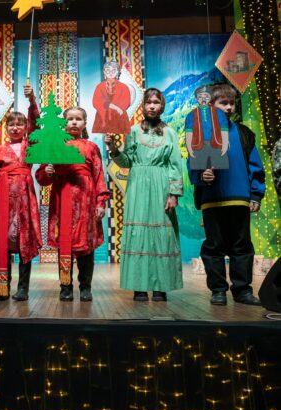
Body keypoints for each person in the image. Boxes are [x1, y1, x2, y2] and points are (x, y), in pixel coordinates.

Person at [189, 84, 265, 306]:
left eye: (232, 103)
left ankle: (242, 291)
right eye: (223, 103)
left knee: (241, 245)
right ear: (211, 106)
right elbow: (192, 164)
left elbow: (255, 165)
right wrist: (202, 175)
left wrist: (256, 194)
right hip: (212, 200)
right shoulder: (203, 133)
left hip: (239, 198)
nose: (229, 107)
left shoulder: (243, 134)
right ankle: (218, 290)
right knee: (214, 246)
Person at [106, 88, 183, 302]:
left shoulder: (169, 133)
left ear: (161, 106)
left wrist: (174, 194)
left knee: (162, 234)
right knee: (138, 234)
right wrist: (113, 148)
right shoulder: (132, 131)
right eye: (148, 102)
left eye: (156, 102)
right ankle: (139, 286)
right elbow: (126, 162)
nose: (152, 106)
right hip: (138, 185)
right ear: (143, 105)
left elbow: (175, 164)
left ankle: (161, 286)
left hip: (161, 185)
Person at [36, 107, 110, 302]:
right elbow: (42, 178)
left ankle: (85, 287)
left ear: (85, 123)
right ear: (64, 123)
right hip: (62, 200)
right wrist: (47, 172)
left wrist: (101, 202)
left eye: (78, 119)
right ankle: (65, 286)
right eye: (70, 119)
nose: (74, 122)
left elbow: (99, 176)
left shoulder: (91, 147)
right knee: (65, 244)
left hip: (86, 201)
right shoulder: (55, 145)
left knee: (86, 246)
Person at [0, 85, 42, 301]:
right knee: (4, 243)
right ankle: (2, 286)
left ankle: (23, 288)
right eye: (11, 125)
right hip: (3, 199)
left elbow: (36, 123)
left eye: (20, 124)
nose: (15, 128)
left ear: (25, 128)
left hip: (25, 199)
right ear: (6, 128)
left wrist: (31, 100)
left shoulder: (29, 145)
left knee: (25, 241)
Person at [185, 85, 229, 170]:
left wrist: (225, 146)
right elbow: (189, 133)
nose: (203, 99)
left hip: (217, 145)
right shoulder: (191, 115)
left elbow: (224, 130)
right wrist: (189, 148)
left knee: (220, 170)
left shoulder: (219, 112)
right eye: (200, 97)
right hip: (198, 146)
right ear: (196, 99)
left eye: (206, 96)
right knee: (199, 171)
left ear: (210, 97)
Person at [92, 60, 131, 134]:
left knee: (122, 137)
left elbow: (126, 102)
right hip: (102, 118)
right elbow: (96, 101)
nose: (110, 73)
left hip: (119, 117)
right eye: (108, 70)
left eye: (113, 70)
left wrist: (113, 107)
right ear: (104, 72)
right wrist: (114, 106)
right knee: (101, 138)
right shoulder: (99, 86)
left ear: (118, 72)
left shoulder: (124, 87)